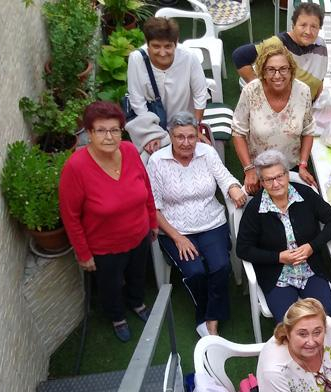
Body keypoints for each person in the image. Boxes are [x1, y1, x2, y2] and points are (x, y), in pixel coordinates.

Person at [59, 101, 157, 342]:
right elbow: (70, 216)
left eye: (114, 130)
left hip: (139, 234)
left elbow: (146, 187)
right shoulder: (76, 168)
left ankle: (136, 302)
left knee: (137, 275)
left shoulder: (131, 151)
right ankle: (117, 317)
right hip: (105, 247)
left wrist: (152, 222)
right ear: (89, 134)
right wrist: (83, 253)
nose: (108, 136)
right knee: (110, 285)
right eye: (101, 130)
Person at [145, 112, 247, 336]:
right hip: (175, 229)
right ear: (170, 136)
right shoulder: (157, 161)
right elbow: (154, 207)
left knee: (221, 266)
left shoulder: (207, 153)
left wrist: (233, 187)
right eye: (180, 137)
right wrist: (177, 237)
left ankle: (210, 318)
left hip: (211, 222)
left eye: (191, 137)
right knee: (196, 272)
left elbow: (224, 176)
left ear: (197, 135)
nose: (186, 143)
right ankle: (204, 313)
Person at [235, 150, 331, 322]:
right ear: (261, 182)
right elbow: (243, 249)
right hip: (277, 275)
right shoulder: (255, 209)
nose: (276, 183)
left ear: (287, 175)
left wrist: (312, 247)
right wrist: (278, 257)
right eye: (269, 179)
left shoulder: (306, 195)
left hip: (310, 269)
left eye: (279, 176)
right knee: (289, 321)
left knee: (326, 312)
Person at [232, 44, 317, 194]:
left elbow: (308, 130)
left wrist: (303, 164)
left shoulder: (303, 91)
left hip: (291, 168)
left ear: (291, 70)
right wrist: (249, 170)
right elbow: (238, 132)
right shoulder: (250, 91)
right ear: (262, 72)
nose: (277, 75)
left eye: (283, 69)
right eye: (271, 69)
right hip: (258, 170)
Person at [126, 16, 210, 159]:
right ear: (148, 44)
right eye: (156, 46)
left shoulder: (189, 57)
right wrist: (153, 135)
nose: (162, 52)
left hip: (184, 124)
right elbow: (137, 101)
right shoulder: (136, 59)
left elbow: (200, 94)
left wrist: (193, 128)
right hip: (151, 126)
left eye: (168, 46)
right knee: (148, 161)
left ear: (175, 43)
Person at [257, 298, 331, 392]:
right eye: (302, 334)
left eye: (317, 332)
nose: (311, 342)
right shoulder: (274, 372)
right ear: (288, 334)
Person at [232, 2, 327, 100]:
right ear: (293, 25)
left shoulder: (320, 45)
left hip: (307, 104)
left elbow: (319, 77)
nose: (308, 31)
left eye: (314, 26)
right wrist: (260, 91)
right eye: (303, 25)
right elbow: (240, 56)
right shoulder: (278, 44)